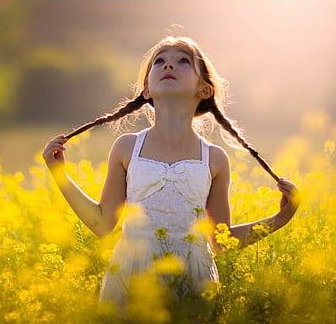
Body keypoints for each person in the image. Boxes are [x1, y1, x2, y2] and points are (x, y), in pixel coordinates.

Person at [42, 36, 300, 314]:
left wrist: (280, 218)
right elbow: (102, 224)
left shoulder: (214, 158)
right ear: (146, 90)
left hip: (193, 279)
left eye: (183, 61)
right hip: (131, 278)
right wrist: (59, 174)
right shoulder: (127, 147)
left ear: (204, 89)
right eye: (160, 61)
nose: (169, 65)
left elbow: (221, 242)